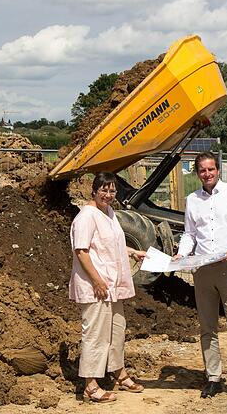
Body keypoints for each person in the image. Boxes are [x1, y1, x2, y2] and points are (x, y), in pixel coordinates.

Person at [174, 152, 227, 400]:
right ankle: (213, 377)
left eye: (211, 169)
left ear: (217, 170)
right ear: (197, 173)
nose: (207, 174)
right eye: (202, 171)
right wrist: (181, 253)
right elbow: (189, 233)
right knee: (207, 327)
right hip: (203, 270)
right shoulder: (192, 199)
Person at [69, 172, 147, 403]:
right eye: (104, 190)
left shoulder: (109, 213)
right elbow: (81, 251)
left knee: (116, 331)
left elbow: (112, 245)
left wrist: (133, 252)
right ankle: (90, 385)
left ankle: (119, 373)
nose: (108, 195)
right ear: (93, 190)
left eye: (112, 191)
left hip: (112, 286)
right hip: (97, 288)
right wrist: (97, 280)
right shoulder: (86, 217)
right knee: (95, 335)